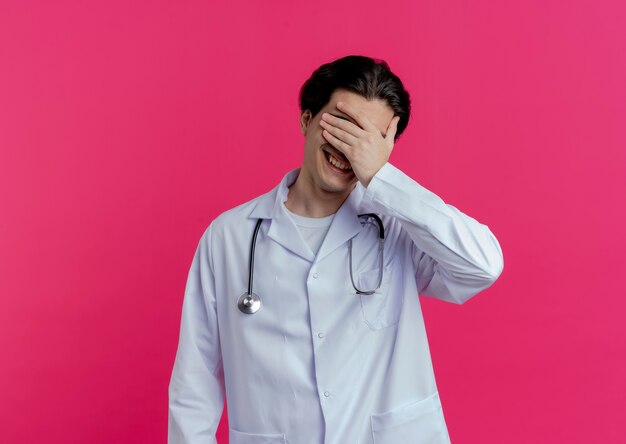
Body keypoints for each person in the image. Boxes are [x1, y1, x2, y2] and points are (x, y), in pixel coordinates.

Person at [168, 55, 504, 444]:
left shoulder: (396, 225)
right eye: (342, 126)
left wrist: (383, 178)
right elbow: (195, 383)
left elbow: (482, 266)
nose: (350, 149)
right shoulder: (228, 238)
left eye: (370, 139)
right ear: (307, 119)